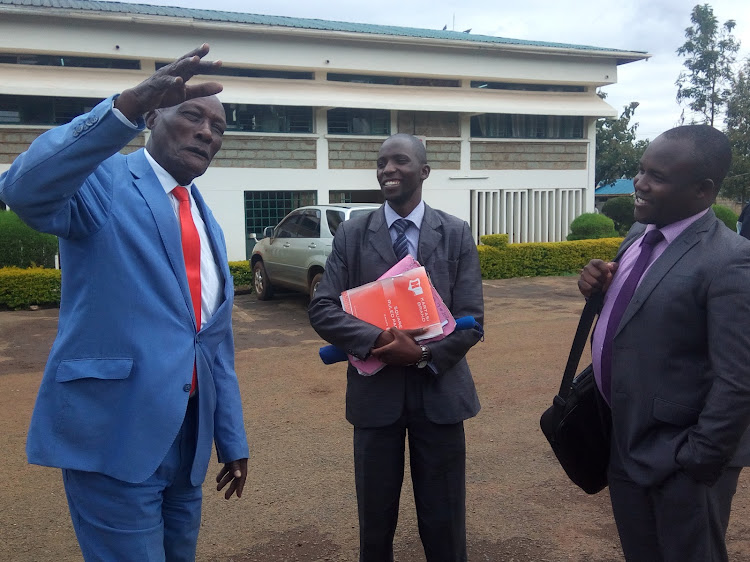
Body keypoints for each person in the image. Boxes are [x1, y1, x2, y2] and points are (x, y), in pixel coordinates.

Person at [0, 44, 249, 561]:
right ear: (154, 115)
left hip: (187, 441)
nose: (208, 132)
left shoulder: (208, 222)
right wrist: (123, 107)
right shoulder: (103, 183)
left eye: (219, 129)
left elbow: (213, 343)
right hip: (114, 434)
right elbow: (23, 189)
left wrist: (232, 438)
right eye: (192, 115)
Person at [578, 124, 750, 562]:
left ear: (703, 190)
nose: (640, 183)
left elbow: (738, 377)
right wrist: (596, 290)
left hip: (681, 457)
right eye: (641, 170)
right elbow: (639, 319)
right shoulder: (638, 236)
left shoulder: (730, 260)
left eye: (658, 176)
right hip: (626, 438)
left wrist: (699, 459)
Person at [308, 133, 484, 562]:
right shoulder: (352, 234)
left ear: (423, 171)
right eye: (382, 162)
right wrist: (380, 341)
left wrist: (423, 354)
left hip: (440, 396)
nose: (388, 169)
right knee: (375, 520)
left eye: (400, 161)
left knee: (445, 520)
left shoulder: (456, 232)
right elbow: (323, 309)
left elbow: (473, 320)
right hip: (375, 398)